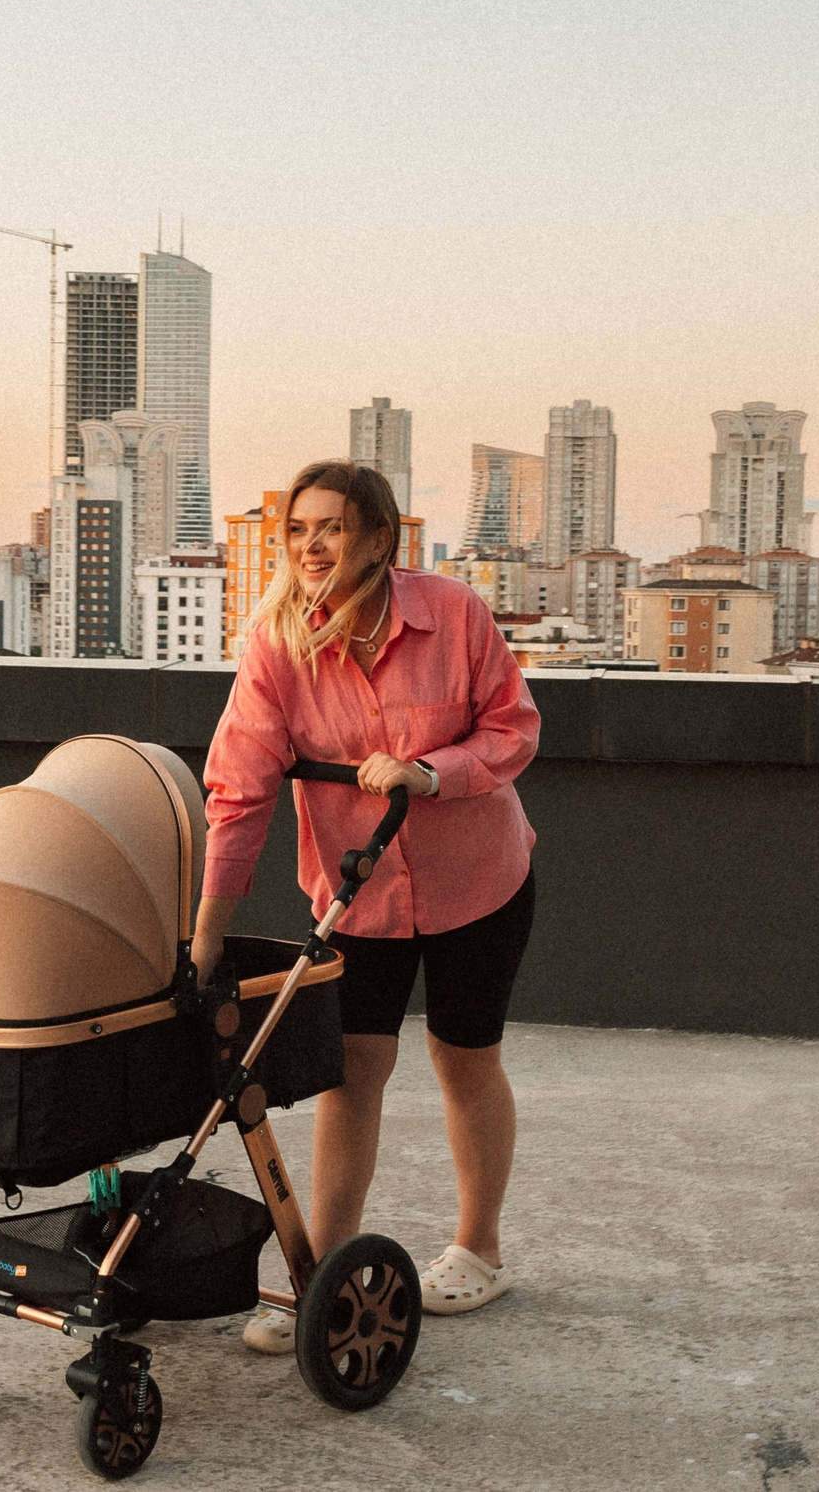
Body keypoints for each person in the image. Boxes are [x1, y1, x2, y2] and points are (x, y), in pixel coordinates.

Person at [195, 459, 540, 1354]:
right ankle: (321, 1276)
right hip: (363, 894)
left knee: (466, 1061)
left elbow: (514, 726)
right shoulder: (276, 645)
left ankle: (480, 1250)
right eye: (298, 530)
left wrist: (433, 775)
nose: (312, 546)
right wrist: (206, 936)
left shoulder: (454, 614)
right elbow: (238, 792)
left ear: (381, 539)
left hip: (479, 884)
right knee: (350, 1072)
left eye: (333, 528)